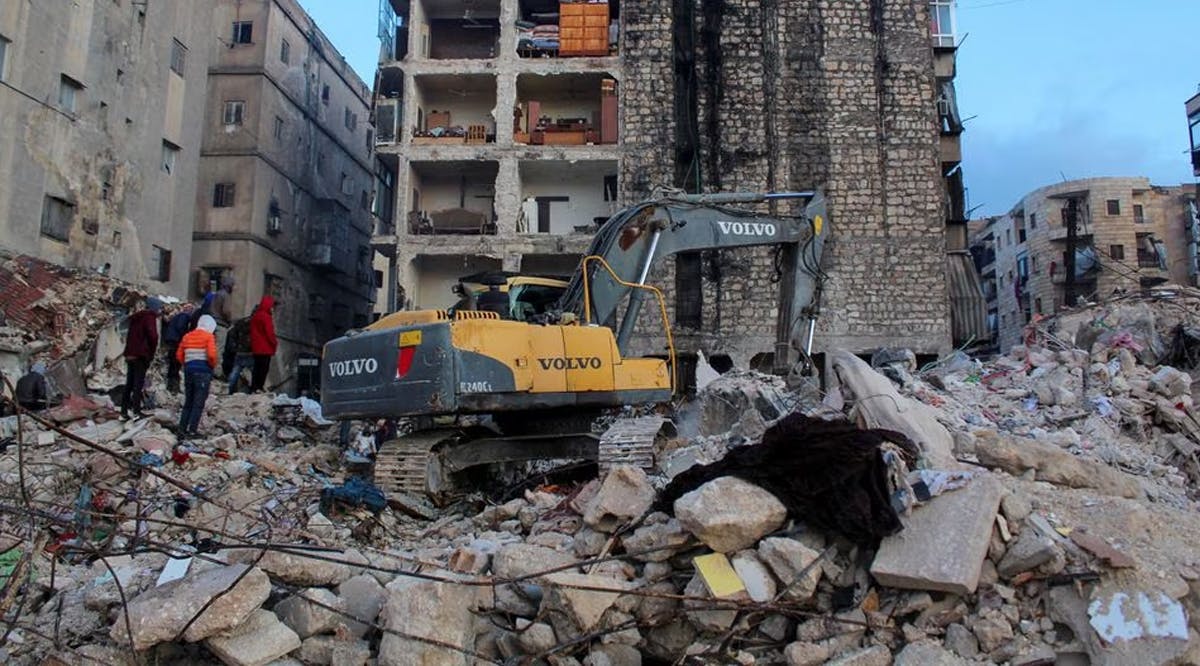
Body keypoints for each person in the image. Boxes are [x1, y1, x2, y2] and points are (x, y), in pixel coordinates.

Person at [176, 314, 218, 437]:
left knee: (188, 401)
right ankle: (192, 430)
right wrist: (211, 365)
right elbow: (211, 355)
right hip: (203, 372)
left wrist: (188, 364)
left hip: (189, 371)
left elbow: (179, 355)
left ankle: (181, 429)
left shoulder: (187, 336)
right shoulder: (208, 337)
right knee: (198, 403)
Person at [121, 297, 161, 419]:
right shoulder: (149, 317)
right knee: (138, 383)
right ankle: (136, 411)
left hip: (130, 354)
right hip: (141, 354)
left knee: (129, 383)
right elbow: (153, 336)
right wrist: (151, 353)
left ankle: (124, 411)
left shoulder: (136, 317)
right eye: (159, 308)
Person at [162, 303, 194, 393]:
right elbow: (181, 327)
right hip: (176, 341)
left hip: (171, 340)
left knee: (173, 364)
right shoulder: (184, 316)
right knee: (175, 364)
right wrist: (185, 336)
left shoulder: (178, 316)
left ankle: (170, 385)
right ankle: (174, 387)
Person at [249, 295, 278, 392]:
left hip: (256, 347)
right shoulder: (266, 317)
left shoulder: (256, 316)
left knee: (256, 368)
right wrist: (274, 343)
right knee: (263, 369)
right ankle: (259, 387)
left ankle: (254, 387)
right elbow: (269, 333)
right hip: (265, 348)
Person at [225, 311, 254, 394]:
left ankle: (228, 389)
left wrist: (234, 347)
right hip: (251, 352)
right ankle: (254, 390)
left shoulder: (242, 321)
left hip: (240, 351)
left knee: (235, 371)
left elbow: (232, 333)